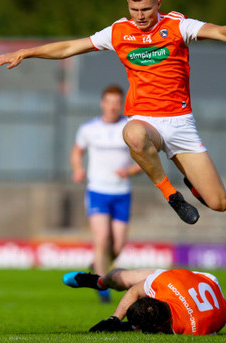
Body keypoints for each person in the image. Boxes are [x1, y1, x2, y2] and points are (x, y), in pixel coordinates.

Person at [0, 0, 226, 225]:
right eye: (135, 9)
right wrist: (26, 52)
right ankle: (171, 194)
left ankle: (193, 184)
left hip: (181, 124)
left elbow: (221, 32)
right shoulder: (119, 32)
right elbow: (70, 46)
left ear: (157, 4)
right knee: (131, 133)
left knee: (219, 203)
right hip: (146, 123)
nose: (141, 16)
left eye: (146, 9)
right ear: (128, 6)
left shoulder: (177, 26)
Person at [70, 84, 141, 302]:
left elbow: (144, 160)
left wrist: (129, 170)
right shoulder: (89, 129)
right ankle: (101, 285)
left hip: (122, 193)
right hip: (98, 190)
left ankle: (96, 265)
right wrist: (77, 169)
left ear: (122, 104)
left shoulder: (130, 128)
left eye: (116, 103)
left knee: (117, 246)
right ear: (102, 103)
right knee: (102, 239)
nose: (112, 107)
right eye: (108, 102)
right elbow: (77, 151)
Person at [63, 267, 226, 335]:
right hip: (193, 279)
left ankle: (133, 325)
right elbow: (134, 290)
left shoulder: (183, 328)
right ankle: (99, 282)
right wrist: (114, 320)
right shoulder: (161, 283)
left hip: (200, 286)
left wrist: (126, 326)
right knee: (122, 279)